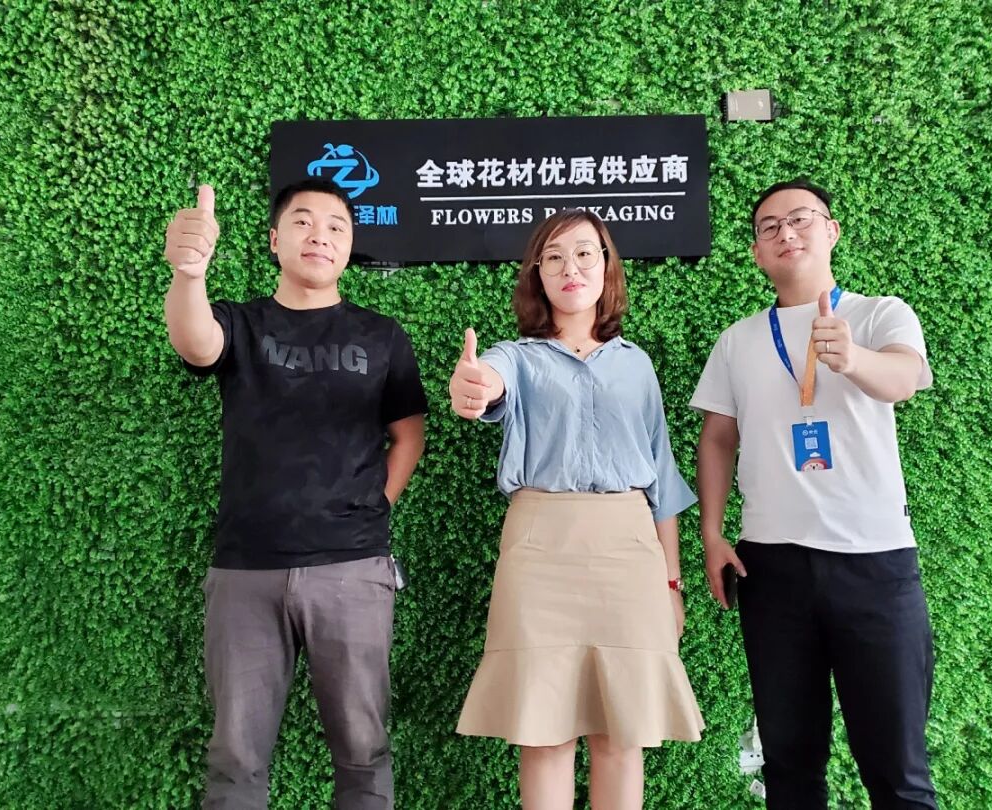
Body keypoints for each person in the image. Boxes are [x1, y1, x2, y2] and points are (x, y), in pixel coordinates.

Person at [163, 177, 427, 810]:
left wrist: (373, 509)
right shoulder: (241, 322)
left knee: (363, 752)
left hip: (353, 568)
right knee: (235, 756)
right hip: (245, 570)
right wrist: (189, 275)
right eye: (303, 222)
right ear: (275, 240)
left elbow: (409, 435)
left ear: (350, 246)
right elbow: (196, 342)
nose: (320, 236)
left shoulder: (382, 335)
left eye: (337, 227)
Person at [691, 178, 937, 809]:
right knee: (790, 767)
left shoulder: (880, 314)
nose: (786, 233)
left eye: (800, 219)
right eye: (769, 227)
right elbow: (717, 437)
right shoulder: (738, 339)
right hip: (772, 568)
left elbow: (903, 378)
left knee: (898, 771)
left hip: (874, 563)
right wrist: (712, 534)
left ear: (831, 231)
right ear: (756, 251)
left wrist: (853, 358)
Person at [449, 210, 704, 810]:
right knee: (545, 733)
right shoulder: (516, 356)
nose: (571, 267)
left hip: (629, 551)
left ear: (606, 265)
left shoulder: (636, 363)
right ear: (537, 274)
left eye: (585, 253)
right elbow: (489, 382)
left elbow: (661, 479)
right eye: (555, 257)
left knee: (622, 733)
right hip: (540, 550)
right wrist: (476, 386)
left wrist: (672, 582)